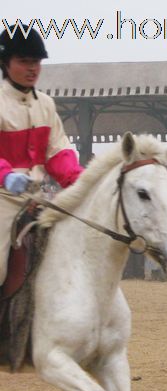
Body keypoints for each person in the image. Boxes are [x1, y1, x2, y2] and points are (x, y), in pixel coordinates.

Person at [0, 24, 83, 286]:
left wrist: (81, 180)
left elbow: (57, 150)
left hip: (36, 198)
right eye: (24, 62)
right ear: (4, 63)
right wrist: (6, 176)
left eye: (36, 62)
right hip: (3, 198)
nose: (32, 68)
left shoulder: (46, 104)